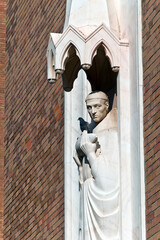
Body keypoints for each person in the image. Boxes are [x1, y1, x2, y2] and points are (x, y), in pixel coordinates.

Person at [74, 91, 120, 240]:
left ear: (107, 105)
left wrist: (90, 154)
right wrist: (81, 168)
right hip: (90, 202)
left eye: (97, 106)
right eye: (89, 107)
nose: (92, 112)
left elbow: (107, 181)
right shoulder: (94, 133)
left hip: (104, 209)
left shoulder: (111, 135)